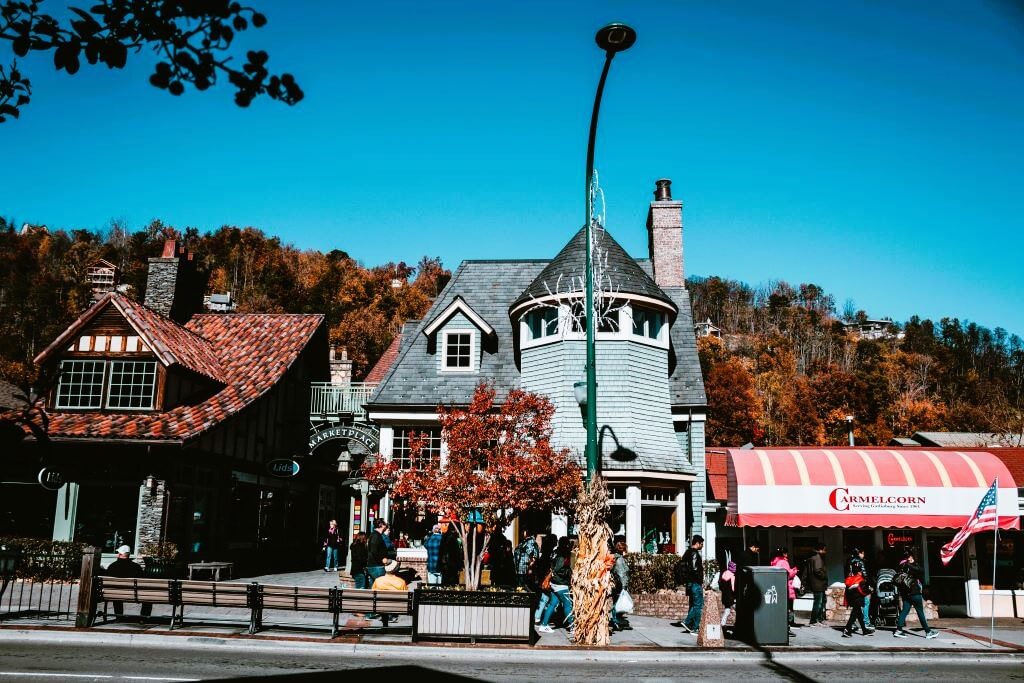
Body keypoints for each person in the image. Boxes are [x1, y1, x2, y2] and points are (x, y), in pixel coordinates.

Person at [894, 549, 938, 639]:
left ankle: (898, 630)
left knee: (904, 611)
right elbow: (921, 571)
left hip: (906, 594)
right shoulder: (911, 565)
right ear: (910, 556)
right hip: (915, 592)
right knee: (920, 612)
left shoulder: (901, 565)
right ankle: (928, 632)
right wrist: (913, 563)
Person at [105, 545, 152, 621]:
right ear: (129, 555)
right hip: (134, 595)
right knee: (148, 596)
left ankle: (119, 616)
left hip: (114, 594)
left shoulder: (112, 567)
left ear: (119, 554)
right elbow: (143, 581)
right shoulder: (136, 567)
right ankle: (144, 618)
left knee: (116, 593)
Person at [537, 537, 574, 634]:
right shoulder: (562, 554)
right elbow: (559, 568)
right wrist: (569, 574)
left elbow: (553, 566)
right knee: (568, 605)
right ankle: (572, 627)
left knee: (552, 604)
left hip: (554, 583)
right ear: (565, 544)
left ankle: (544, 625)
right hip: (561, 583)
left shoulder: (555, 552)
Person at [672, 535, 705, 633]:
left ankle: (689, 624)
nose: (702, 546)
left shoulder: (687, 552)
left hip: (689, 583)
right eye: (701, 544)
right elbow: (695, 569)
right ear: (697, 543)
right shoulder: (694, 553)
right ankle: (693, 626)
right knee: (698, 605)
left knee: (693, 605)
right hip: (695, 583)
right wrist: (699, 580)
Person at [770, 546, 799, 637]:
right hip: (786, 587)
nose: (787, 554)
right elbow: (787, 574)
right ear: (784, 554)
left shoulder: (774, 562)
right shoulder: (784, 562)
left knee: (781, 609)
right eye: (786, 553)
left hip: (778, 587)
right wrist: (794, 571)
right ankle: (787, 628)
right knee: (789, 609)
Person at [370, 559, 408, 627]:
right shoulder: (401, 582)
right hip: (396, 607)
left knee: (383, 603)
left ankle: (385, 621)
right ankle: (392, 616)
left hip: (379, 606)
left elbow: (372, 594)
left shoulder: (378, 580)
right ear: (396, 570)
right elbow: (405, 597)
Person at [842, 564, 875, 637]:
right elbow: (863, 591)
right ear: (859, 572)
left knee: (859, 615)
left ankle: (864, 630)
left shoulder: (849, 579)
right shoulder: (860, 579)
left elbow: (848, 591)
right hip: (858, 599)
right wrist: (870, 591)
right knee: (853, 615)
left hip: (851, 599)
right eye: (861, 571)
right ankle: (847, 629)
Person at [610, 535, 632, 631]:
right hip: (620, 585)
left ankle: (616, 620)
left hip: (618, 584)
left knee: (617, 602)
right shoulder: (619, 560)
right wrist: (624, 587)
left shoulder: (618, 558)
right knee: (618, 603)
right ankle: (615, 620)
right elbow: (621, 573)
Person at [366, 519, 395, 586]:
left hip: (375, 565)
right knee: (380, 586)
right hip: (377, 566)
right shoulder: (376, 536)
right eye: (385, 524)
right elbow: (374, 551)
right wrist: (382, 560)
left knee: (374, 586)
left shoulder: (376, 535)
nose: (386, 526)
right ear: (381, 525)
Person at [805, 542, 828, 626]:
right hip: (818, 583)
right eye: (824, 550)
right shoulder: (817, 558)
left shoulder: (812, 557)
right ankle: (814, 620)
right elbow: (817, 570)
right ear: (820, 550)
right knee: (818, 603)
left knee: (818, 602)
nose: (825, 552)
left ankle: (815, 620)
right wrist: (824, 576)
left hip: (815, 583)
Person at [847, 547, 870, 629]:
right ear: (859, 553)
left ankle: (864, 629)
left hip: (850, 585)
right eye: (862, 553)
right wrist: (868, 583)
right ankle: (848, 628)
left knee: (857, 608)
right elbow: (864, 574)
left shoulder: (849, 561)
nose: (863, 555)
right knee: (859, 605)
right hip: (859, 586)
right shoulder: (860, 562)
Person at [719, 560, 737, 627]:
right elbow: (733, 588)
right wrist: (735, 596)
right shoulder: (732, 576)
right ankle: (738, 622)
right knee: (738, 609)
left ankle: (723, 623)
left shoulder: (724, 574)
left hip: (725, 596)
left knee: (727, 610)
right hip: (731, 597)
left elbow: (720, 586)